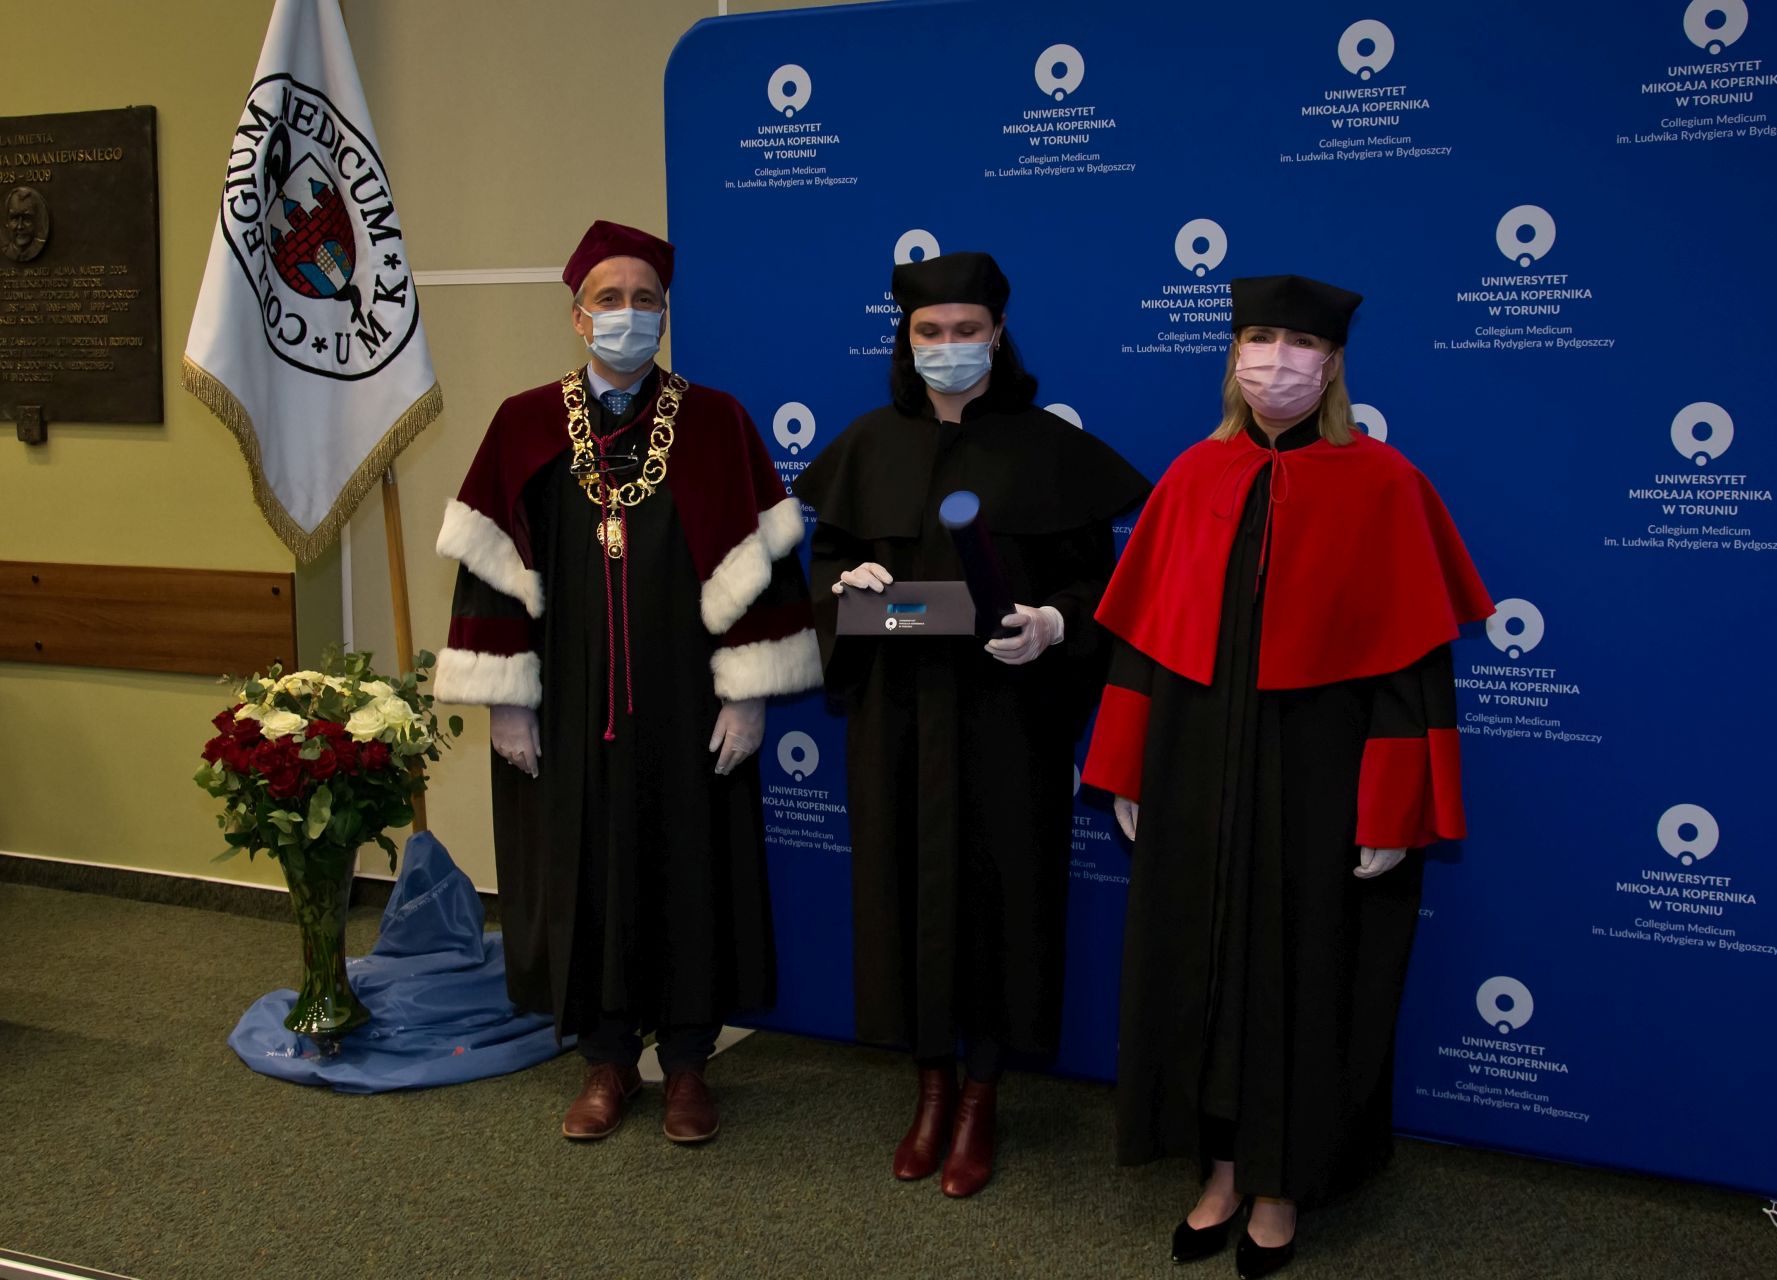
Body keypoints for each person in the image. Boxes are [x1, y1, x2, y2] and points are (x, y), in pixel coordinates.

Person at [1081, 275, 1492, 1276]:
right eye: (1260, 337)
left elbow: (1410, 670)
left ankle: (1282, 1183)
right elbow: (1144, 639)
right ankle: (1221, 1168)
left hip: (1319, 775)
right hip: (1198, 767)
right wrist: (1128, 764)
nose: (1278, 359)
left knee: (1303, 973)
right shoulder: (1194, 474)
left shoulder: (1384, 483)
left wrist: (1390, 806)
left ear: (1334, 362)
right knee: (1205, 964)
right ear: (1233, 354)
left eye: (1301, 343)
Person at [434, 220, 820, 1147]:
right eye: (609, 299)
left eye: (646, 300)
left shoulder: (717, 422)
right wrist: (507, 699)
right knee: (585, 868)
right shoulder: (524, 423)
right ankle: (605, 1059)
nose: (629, 314)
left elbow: (762, 566)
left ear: (665, 315)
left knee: (691, 866)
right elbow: (490, 569)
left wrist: (749, 692)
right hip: (568, 703)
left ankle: (686, 1062)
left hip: (689, 701)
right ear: (578, 316)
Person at [793, 251, 1149, 1197]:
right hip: (898, 716)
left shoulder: (1050, 450)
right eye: (930, 332)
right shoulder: (867, 445)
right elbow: (827, 569)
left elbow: (1099, 584)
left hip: (1008, 717)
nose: (947, 346)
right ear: (906, 341)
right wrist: (846, 588)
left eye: (966, 330)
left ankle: (983, 1092)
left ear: (997, 334)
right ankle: (931, 1087)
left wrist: (1055, 625)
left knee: (1006, 894)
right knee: (903, 889)